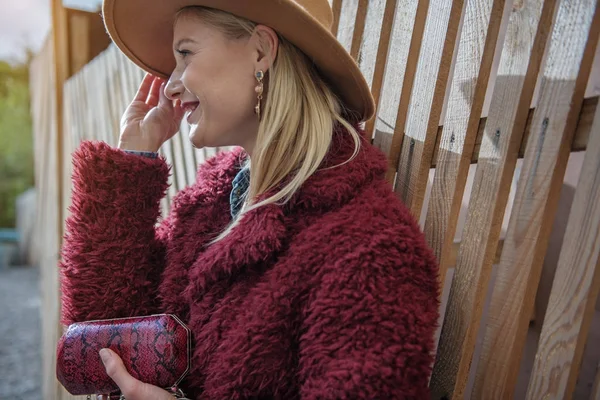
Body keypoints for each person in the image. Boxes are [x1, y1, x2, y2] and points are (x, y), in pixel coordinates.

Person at [59, 0, 440, 399]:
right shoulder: (213, 204)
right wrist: (134, 157)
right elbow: (99, 337)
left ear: (261, 50)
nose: (170, 86)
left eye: (185, 53)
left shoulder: (366, 248)